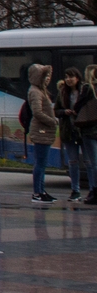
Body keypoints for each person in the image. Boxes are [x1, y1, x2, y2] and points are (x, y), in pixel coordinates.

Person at [56, 67, 90, 201]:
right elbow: (56, 110)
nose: (69, 79)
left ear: (78, 77)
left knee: (89, 162)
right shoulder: (62, 92)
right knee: (73, 162)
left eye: (71, 76)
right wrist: (64, 112)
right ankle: (75, 190)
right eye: (66, 77)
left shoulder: (85, 91)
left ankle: (93, 189)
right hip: (69, 131)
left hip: (85, 130)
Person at [26, 64, 59, 204]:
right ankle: (37, 193)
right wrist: (52, 121)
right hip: (41, 131)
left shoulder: (40, 90)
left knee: (42, 163)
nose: (47, 79)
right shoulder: (35, 91)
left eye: (49, 77)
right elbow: (37, 112)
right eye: (45, 76)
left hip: (44, 131)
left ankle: (41, 190)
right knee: (40, 163)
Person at [81, 66, 97, 205]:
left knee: (94, 163)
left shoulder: (87, 88)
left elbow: (78, 106)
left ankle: (94, 191)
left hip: (90, 130)